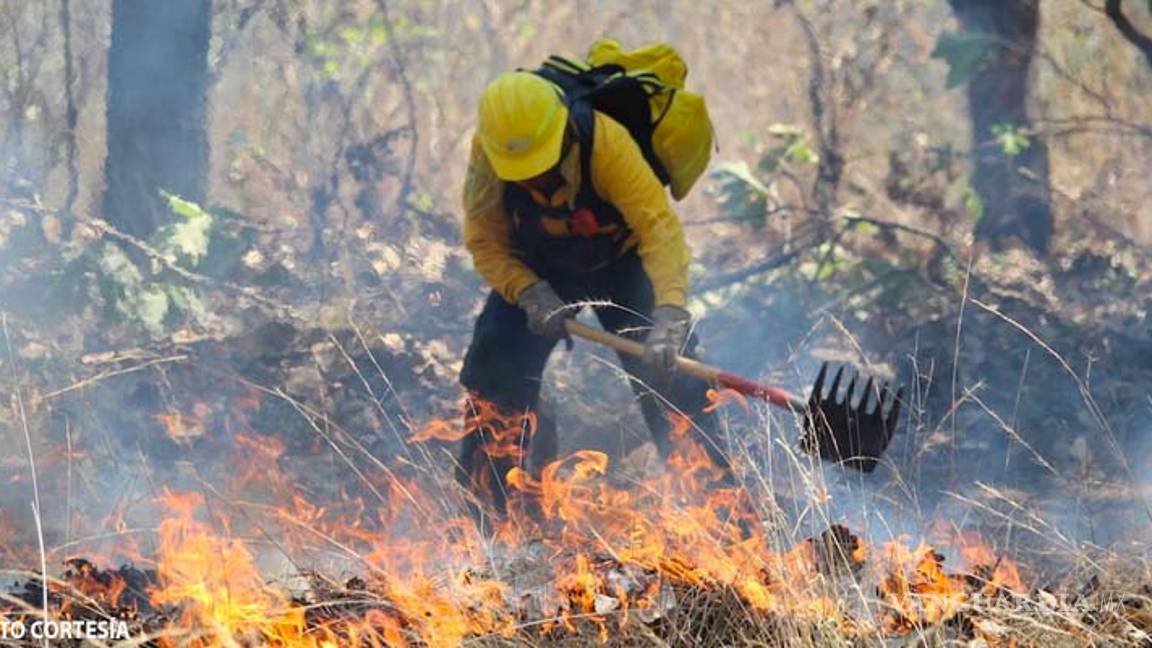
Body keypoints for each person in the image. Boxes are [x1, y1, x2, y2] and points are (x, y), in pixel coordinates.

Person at [457, 70, 728, 514]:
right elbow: (485, 239)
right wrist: (526, 291)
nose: (532, 181)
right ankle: (488, 518)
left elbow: (659, 228)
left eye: (540, 166)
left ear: (563, 129)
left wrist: (669, 314)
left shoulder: (606, 142)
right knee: (494, 370)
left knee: (673, 379)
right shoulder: (489, 152)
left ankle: (723, 516)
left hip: (621, 259)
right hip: (536, 267)